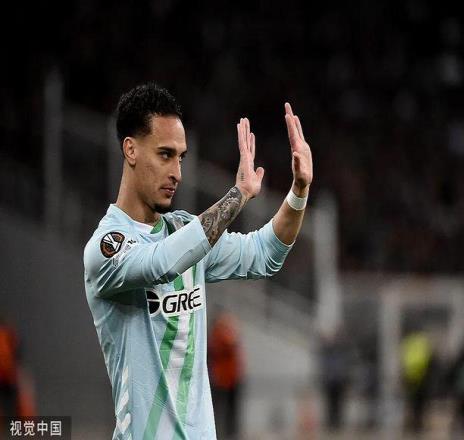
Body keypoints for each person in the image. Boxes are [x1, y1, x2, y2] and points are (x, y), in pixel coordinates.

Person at [83, 83, 313, 439]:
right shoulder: (107, 247)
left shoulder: (184, 232)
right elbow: (161, 264)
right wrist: (238, 195)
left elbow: (264, 253)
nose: (177, 172)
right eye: (165, 155)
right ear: (130, 149)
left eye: (181, 157)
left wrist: (298, 191)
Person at [208, 311, 244, 439]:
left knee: (231, 412)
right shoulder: (218, 335)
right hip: (221, 380)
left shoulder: (221, 334)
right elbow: (229, 344)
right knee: (220, 410)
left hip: (231, 379)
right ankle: (220, 434)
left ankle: (229, 434)